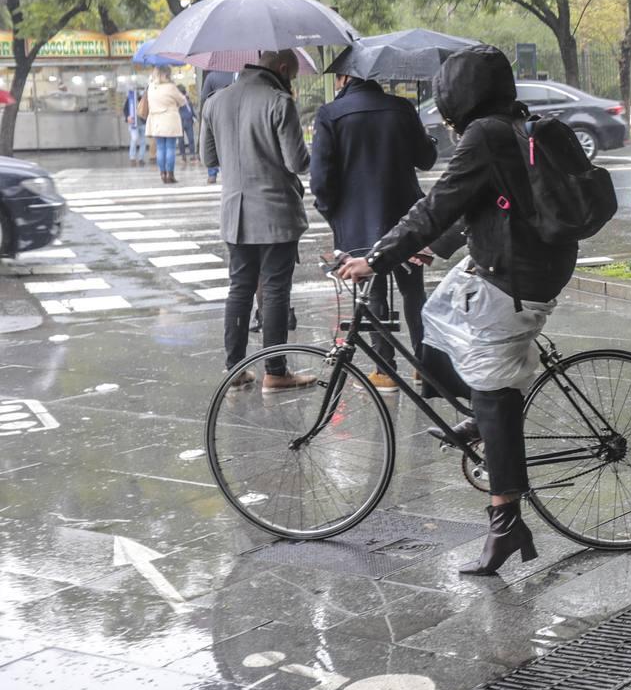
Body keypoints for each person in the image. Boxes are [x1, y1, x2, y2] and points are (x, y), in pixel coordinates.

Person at [338, 45, 578, 575]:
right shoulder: (510, 124)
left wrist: (376, 260)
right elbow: (479, 199)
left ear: (460, 98)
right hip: (518, 258)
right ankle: (485, 416)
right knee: (439, 323)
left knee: (492, 382)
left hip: (516, 272)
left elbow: (438, 203)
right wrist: (432, 248)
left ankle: (505, 521)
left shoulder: (484, 134)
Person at [311, 72, 438, 393]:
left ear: (343, 77)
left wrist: (333, 214)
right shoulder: (401, 108)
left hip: (357, 221)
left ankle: (385, 369)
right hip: (405, 215)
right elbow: (426, 160)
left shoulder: (330, 114)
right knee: (414, 292)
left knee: (372, 295)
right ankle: (424, 365)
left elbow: (321, 180)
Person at [199, 50, 314, 392]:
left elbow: (208, 157)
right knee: (276, 289)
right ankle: (276, 371)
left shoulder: (215, 102)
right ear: (281, 69)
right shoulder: (279, 102)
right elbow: (297, 162)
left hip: (234, 214)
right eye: (291, 76)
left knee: (240, 288)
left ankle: (235, 367)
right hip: (276, 213)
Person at [145, 67, 189, 184]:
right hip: (170, 120)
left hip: (156, 120)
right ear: (167, 74)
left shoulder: (151, 87)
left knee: (160, 148)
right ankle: (170, 174)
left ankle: (162, 174)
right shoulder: (171, 87)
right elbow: (183, 101)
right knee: (170, 147)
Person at [124, 84, 147, 166]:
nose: (138, 92)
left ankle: (141, 158)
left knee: (143, 141)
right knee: (134, 139)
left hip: (143, 123)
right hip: (133, 123)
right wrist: (127, 117)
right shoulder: (130, 99)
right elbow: (125, 109)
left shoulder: (144, 99)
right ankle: (132, 158)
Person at [177, 84, 196, 165]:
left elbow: (191, 109)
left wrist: (195, 117)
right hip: (180, 121)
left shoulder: (187, 99)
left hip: (188, 121)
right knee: (181, 140)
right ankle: (183, 156)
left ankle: (192, 155)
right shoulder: (177, 100)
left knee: (191, 139)